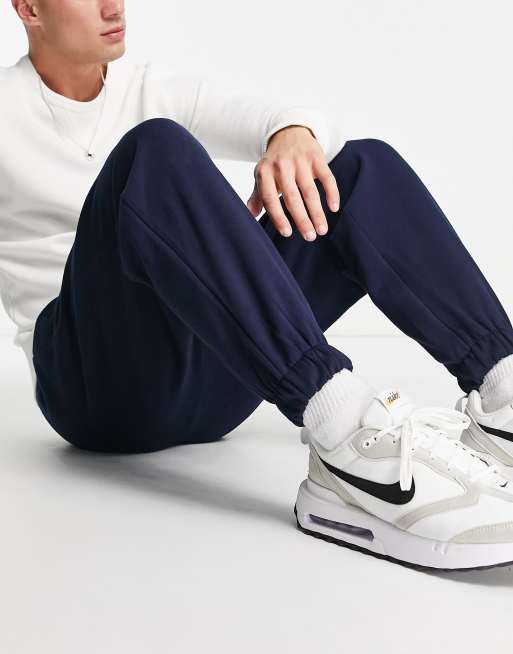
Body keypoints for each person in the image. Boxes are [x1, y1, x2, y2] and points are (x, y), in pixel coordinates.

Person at [3, 0, 513, 572]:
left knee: (355, 169)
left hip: (213, 387)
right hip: (94, 389)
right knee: (152, 150)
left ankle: (505, 394)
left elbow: (288, 117)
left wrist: (292, 135)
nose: (112, 5)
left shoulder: (148, 88)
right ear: (28, 8)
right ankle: (344, 432)